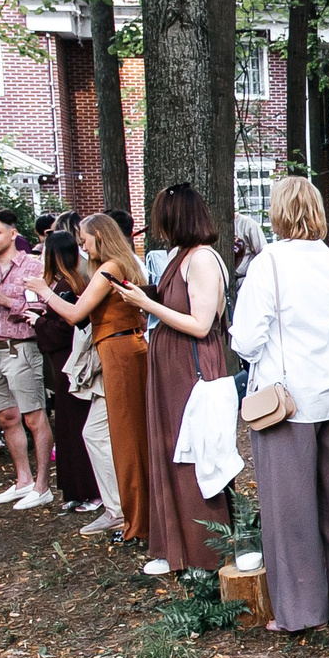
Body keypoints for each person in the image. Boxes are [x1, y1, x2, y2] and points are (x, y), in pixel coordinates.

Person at [233, 176, 329, 631]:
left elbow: (247, 339)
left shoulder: (267, 264)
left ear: (277, 213)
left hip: (285, 403)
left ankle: (302, 610)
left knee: (290, 510)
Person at [114, 183, 234, 574]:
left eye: (159, 216)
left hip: (192, 367)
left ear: (174, 216)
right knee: (171, 448)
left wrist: (146, 304)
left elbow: (201, 325)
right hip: (171, 368)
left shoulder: (201, 259)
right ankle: (176, 547)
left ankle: (205, 553)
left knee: (194, 453)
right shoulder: (178, 257)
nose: (155, 224)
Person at [39, 212, 149, 541]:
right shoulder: (116, 264)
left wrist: (42, 291)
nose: (81, 245)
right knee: (95, 433)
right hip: (112, 350)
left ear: (99, 236)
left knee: (127, 437)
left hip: (120, 353)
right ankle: (118, 508)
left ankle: (134, 515)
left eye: (84, 238)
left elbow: (75, 313)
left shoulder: (111, 267)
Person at [0, 209, 58, 511]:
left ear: (12, 233)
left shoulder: (33, 266)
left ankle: (42, 486)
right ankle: (22, 480)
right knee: (7, 418)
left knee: (35, 418)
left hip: (21, 348)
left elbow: (47, 308)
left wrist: (8, 301)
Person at [33, 227, 102, 511]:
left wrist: (37, 322)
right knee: (67, 424)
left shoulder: (67, 287)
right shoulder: (70, 282)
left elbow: (67, 325)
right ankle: (77, 488)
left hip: (68, 359)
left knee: (75, 423)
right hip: (62, 360)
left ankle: (90, 490)